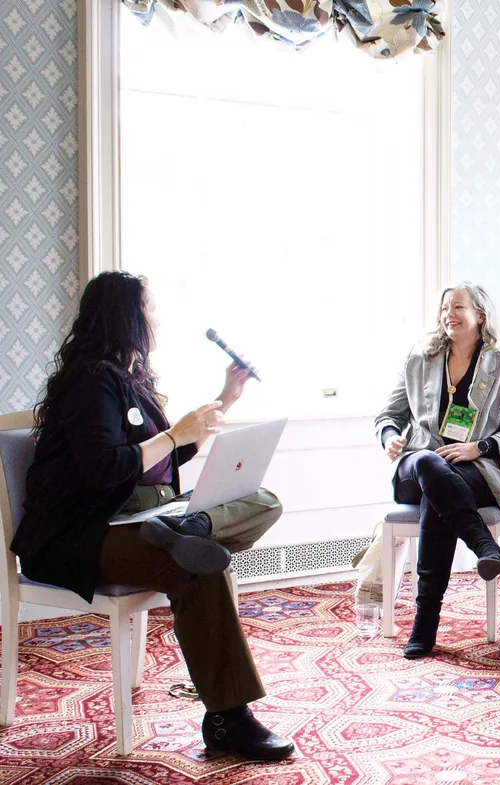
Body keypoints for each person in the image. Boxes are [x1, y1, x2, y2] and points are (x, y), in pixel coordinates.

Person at [11, 270, 293, 760]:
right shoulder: (88, 384)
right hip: (81, 535)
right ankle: (229, 719)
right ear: (127, 316)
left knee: (265, 500)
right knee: (201, 564)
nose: (157, 319)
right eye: (150, 308)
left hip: (144, 519)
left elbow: (168, 459)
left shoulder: (128, 381)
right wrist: (174, 434)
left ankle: (192, 527)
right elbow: (105, 468)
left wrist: (225, 399)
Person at [375, 283, 500, 660]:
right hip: (418, 465)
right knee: (431, 463)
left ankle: (424, 624)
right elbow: (388, 416)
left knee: (439, 496)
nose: (449, 314)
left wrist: (477, 447)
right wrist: (391, 437)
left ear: (481, 315)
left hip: (474, 470)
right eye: (445, 308)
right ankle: (485, 547)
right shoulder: (419, 359)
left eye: (458, 306)